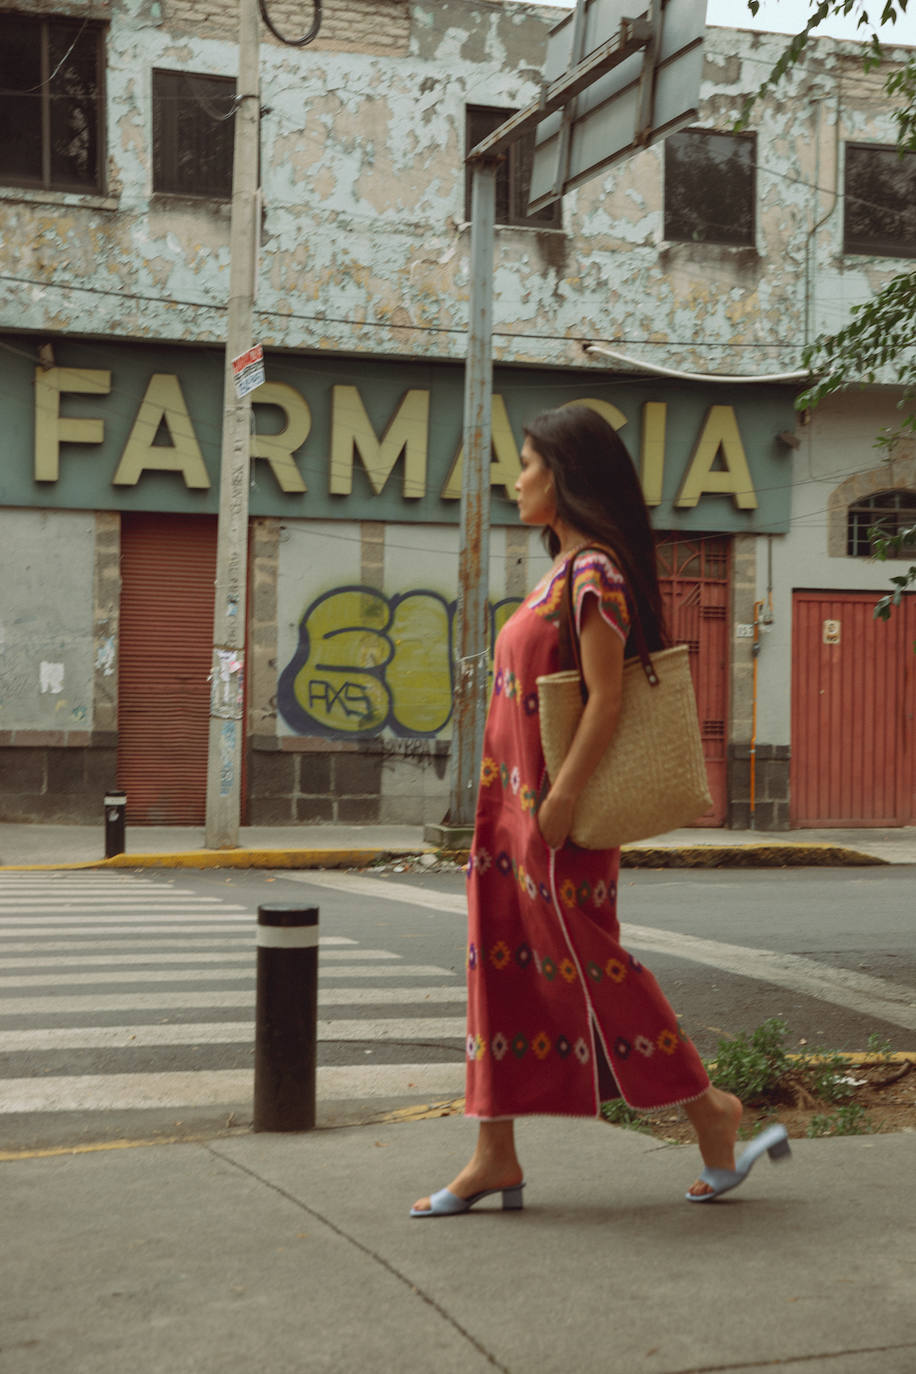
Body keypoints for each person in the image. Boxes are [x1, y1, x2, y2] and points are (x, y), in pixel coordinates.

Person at [411, 404, 789, 1217]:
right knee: (502, 973)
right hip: (510, 817)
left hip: (554, 820)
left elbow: (608, 700)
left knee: (597, 971)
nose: (515, 479)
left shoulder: (595, 575)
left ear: (566, 475)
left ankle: (710, 1110)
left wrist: (561, 801)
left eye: (526, 463)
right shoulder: (560, 571)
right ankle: (494, 1155)